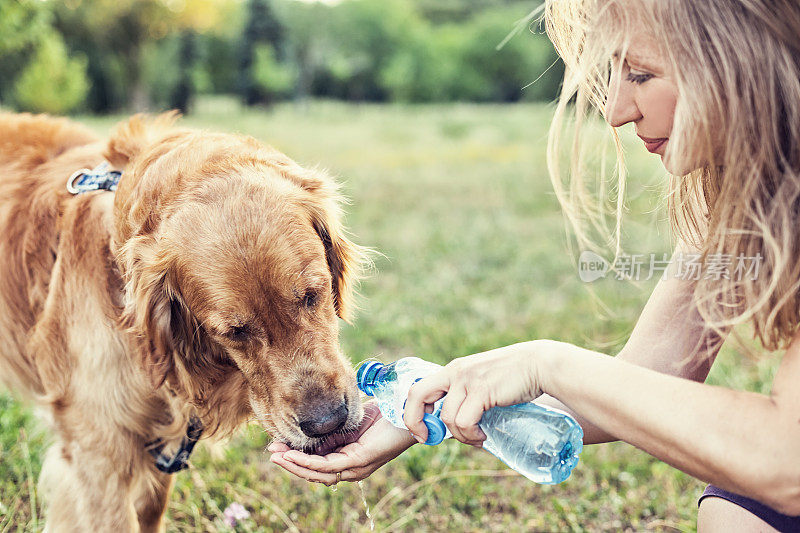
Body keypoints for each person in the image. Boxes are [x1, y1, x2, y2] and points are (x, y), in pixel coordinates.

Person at [269, 0, 800, 530]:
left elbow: (785, 463)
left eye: (641, 73)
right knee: (736, 515)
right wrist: (423, 404)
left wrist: (548, 362)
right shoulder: (739, 196)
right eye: (614, 73)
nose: (617, 110)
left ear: (743, 57)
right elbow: (645, 379)